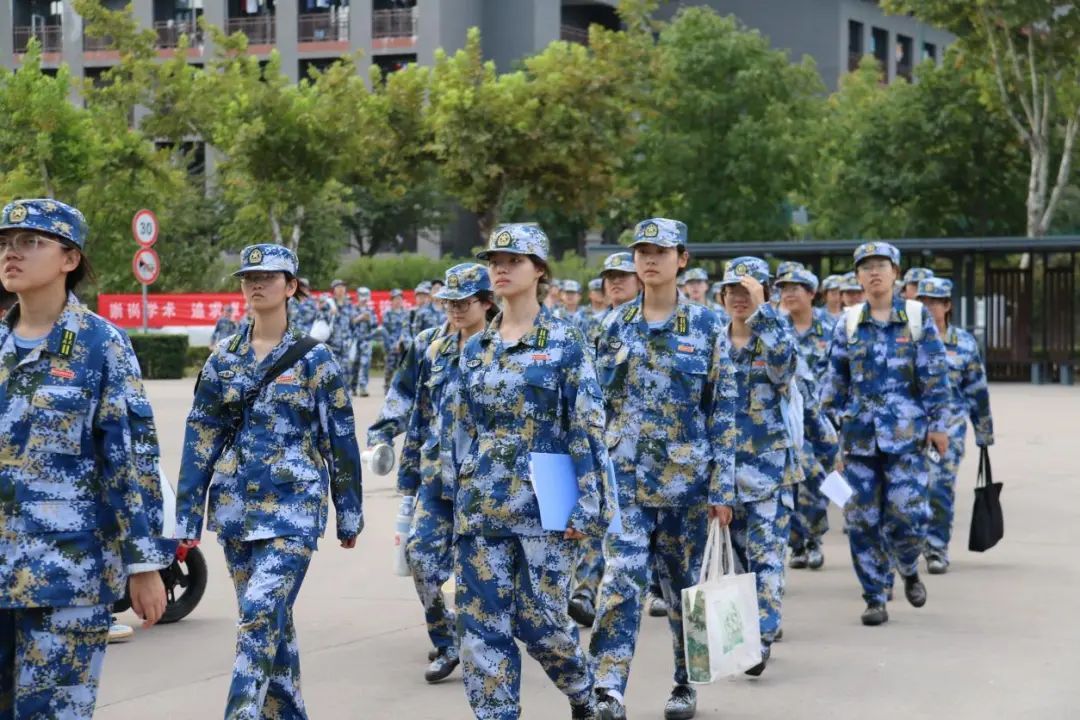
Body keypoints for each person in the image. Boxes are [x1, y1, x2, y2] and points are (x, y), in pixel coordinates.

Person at [175, 243, 363, 719]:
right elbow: (201, 438)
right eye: (248, 277)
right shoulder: (223, 359)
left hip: (294, 508)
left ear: (291, 286)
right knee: (268, 626)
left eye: (268, 277)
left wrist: (350, 512)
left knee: (260, 615)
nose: (256, 284)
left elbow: (339, 439)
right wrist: (186, 516)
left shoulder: (316, 360)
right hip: (236, 510)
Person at [0, 198, 168, 719]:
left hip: (67, 576)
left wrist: (145, 563)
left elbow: (132, 460)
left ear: (69, 258)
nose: (12, 254)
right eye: (5, 243)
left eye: (30, 242)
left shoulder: (100, 345)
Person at [446, 223, 614, 720]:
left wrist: (589, 502)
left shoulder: (565, 341)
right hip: (481, 502)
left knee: (539, 621)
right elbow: (462, 429)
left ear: (539, 270)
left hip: (547, 499)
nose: (500, 268)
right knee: (480, 625)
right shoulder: (475, 347)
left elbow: (585, 426)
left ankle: (584, 692)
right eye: (494, 260)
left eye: (513, 260)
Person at [590, 218, 737, 720]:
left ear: (682, 260)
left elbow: (722, 410)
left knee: (683, 593)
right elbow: (592, 410)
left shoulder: (708, 325)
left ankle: (685, 681)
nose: (649, 259)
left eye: (660, 251)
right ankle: (607, 687)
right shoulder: (610, 327)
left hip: (687, 486)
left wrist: (723, 486)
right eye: (641, 251)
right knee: (620, 581)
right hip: (624, 482)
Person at [821, 242, 951, 627]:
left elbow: (934, 377)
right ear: (857, 276)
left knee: (909, 515)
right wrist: (828, 439)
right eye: (866, 267)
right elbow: (834, 383)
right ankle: (875, 596)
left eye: (881, 265)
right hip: (859, 439)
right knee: (862, 520)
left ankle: (908, 565)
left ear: (895, 273)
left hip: (906, 437)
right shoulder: (846, 322)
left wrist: (939, 426)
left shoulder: (916, 317)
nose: (874, 273)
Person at [398, 263, 496, 684]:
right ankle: (446, 640)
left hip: (489, 482)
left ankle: (487, 642)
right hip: (437, 478)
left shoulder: (503, 347)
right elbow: (416, 408)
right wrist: (403, 467)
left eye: (464, 302)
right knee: (420, 556)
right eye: (449, 302)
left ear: (486, 302)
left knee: (483, 572)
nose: (455, 310)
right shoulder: (431, 346)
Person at [717, 257, 799, 676]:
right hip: (723, 476)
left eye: (746, 291)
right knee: (738, 564)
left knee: (767, 558)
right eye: (731, 290)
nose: (738, 298)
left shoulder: (775, 337)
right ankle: (745, 635)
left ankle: (762, 640)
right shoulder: (713, 340)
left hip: (768, 472)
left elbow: (785, 370)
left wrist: (764, 312)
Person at [915, 278, 994, 574]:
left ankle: (936, 548)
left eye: (935, 301)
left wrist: (984, 433)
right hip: (911, 427)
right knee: (909, 491)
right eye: (923, 301)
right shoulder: (909, 339)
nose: (929, 307)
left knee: (940, 486)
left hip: (951, 427)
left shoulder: (963, 343)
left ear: (947, 305)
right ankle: (910, 546)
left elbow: (977, 390)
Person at [776, 269, 839, 571]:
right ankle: (796, 543)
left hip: (821, 419)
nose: (788, 294)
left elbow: (840, 373)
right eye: (783, 289)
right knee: (788, 483)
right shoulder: (776, 328)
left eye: (795, 288)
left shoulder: (832, 328)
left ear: (812, 293)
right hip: (786, 420)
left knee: (815, 479)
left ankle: (814, 538)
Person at [381, 289, 412, 390]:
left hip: (403, 344)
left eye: (400, 299)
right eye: (396, 299)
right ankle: (387, 386)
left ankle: (399, 388)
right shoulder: (388, 314)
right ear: (392, 300)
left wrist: (402, 341)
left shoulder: (406, 313)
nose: (398, 301)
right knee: (389, 367)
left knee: (402, 366)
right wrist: (392, 344)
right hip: (391, 345)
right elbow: (385, 331)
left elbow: (407, 329)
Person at [351, 287, 378, 397]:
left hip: (366, 341)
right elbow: (348, 324)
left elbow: (375, 326)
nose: (364, 299)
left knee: (365, 363)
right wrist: (359, 318)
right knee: (355, 364)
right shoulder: (352, 309)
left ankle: (363, 387)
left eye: (366, 296)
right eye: (362, 296)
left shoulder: (371, 311)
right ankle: (352, 387)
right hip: (355, 341)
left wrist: (369, 319)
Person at [327, 279, 357, 368]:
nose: (341, 289)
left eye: (343, 287)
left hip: (345, 345)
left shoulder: (349, 305)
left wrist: (351, 340)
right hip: (331, 344)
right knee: (331, 372)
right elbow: (319, 319)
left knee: (345, 372)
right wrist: (329, 313)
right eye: (338, 287)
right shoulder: (328, 303)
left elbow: (353, 325)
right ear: (333, 290)